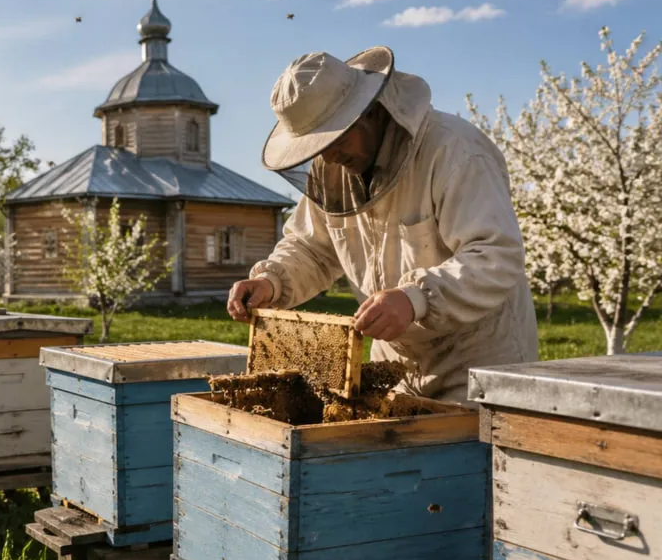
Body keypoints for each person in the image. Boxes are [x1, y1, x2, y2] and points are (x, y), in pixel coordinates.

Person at [228, 47, 538, 403]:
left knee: (466, 443)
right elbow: (312, 248)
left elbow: (495, 255)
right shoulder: (333, 172)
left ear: (371, 111)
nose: (329, 155)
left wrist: (415, 298)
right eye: (317, 145)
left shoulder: (455, 151)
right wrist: (272, 281)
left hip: (478, 358)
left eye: (335, 137)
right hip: (394, 362)